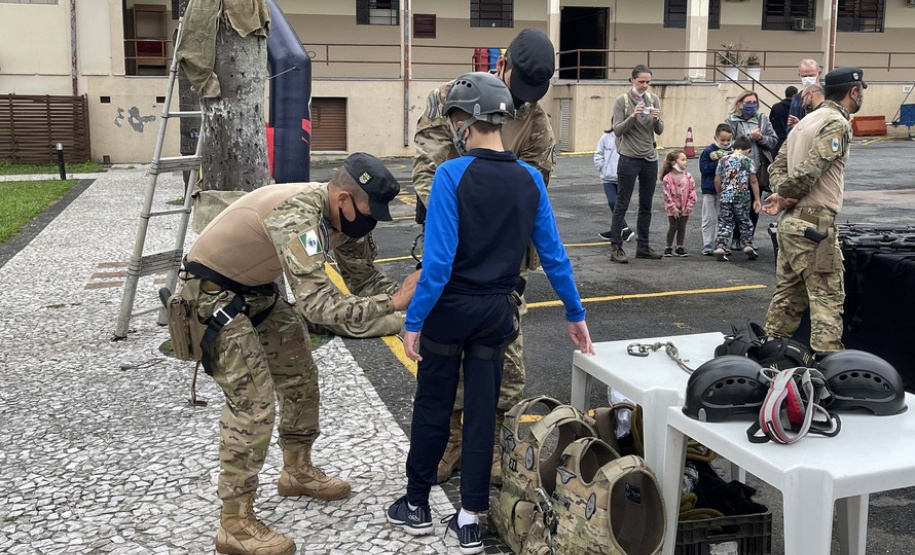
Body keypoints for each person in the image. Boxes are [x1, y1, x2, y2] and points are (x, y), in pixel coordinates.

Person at [388, 71, 594, 555]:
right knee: (483, 413)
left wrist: (414, 320)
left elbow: (438, 263)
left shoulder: (450, 175)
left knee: (434, 405)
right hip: (498, 311)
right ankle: (469, 520)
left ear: (466, 121)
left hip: (450, 309)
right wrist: (574, 311)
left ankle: (416, 504)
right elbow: (554, 254)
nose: (456, 129)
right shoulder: (530, 179)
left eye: (457, 120)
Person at [179, 152, 420, 555]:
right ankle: (234, 523)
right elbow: (318, 306)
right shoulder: (298, 215)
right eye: (368, 212)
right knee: (253, 402)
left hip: (255, 293)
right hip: (210, 296)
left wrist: (417, 302)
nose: (371, 221)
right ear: (343, 199)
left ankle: (297, 470)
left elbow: (364, 280)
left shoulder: (345, 221)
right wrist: (395, 304)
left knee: (299, 377)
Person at [412, 27, 556, 486]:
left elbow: (534, 184)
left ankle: (490, 446)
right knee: (443, 360)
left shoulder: (535, 119)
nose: (522, 99)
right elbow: (427, 167)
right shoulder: (452, 99)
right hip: (453, 254)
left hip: (503, 265)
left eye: (532, 92)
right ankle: (452, 443)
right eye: (518, 86)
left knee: (504, 366)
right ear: (502, 64)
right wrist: (462, 215)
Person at [763, 67, 865, 357]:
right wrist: (787, 194)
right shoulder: (836, 122)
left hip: (792, 221)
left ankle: (770, 354)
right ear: (853, 92)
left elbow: (776, 165)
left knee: (788, 296)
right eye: (860, 91)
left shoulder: (806, 121)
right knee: (827, 297)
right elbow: (813, 167)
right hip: (814, 222)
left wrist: (782, 194)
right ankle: (829, 363)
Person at [608, 64, 665, 263]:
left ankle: (643, 246)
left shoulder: (653, 99)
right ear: (632, 80)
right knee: (622, 203)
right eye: (641, 81)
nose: (645, 85)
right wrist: (633, 115)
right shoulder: (622, 101)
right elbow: (617, 130)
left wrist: (656, 119)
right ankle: (616, 247)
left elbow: (659, 130)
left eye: (648, 82)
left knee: (646, 204)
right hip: (629, 157)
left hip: (649, 158)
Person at [714, 136, 761, 262]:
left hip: (726, 196)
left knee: (725, 222)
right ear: (749, 150)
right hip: (742, 197)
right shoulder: (748, 161)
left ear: (733, 148)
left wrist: (719, 193)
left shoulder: (723, 160)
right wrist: (757, 199)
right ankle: (747, 244)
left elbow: (717, 180)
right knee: (744, 221)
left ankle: (721, 246)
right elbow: (753, 181)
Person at [698, 124, 733, 255]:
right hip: (710, 189)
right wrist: (719, 162)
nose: (726, 143)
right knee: (708, 217)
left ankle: (721, 243)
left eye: (728, 140)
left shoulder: (732, 152)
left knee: (723, 217)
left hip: (725, 190)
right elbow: (704, 169)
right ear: (716, 138)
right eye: (722, 140)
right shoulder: (708, 151)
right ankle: (707, 243)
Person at [594, 129, 633, 242]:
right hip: (608, 178)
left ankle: (618, 230)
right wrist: (602, 167)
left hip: (623, 178)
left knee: (619, 205)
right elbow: (598, 153)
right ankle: (623, 229)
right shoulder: (606, 137)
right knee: (613, 202)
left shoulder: (629, 137)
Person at [660, 149, 697, 257]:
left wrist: (690, 205)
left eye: (686, 160)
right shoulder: (667, 178)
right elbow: (666, 195)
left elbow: (692, 191)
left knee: (682, 227)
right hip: (672, 209)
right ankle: (668, 247)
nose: (686, 162)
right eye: (683, 160)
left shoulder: (688, 176)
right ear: (674, 163)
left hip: (685, 207)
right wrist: (673, 208)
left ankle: (679, 247)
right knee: (673, 226)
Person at [787, 59, 823, 130]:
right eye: (804, 76)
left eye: (811, 75)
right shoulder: (797, 99)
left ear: (819, 73)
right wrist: (796, 126)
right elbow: (790, 126)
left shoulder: (829, 95)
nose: (808, 79)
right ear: (799, 75)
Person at [770, 86, 798, 153]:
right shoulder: (798, 108)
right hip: (793, 139)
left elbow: (771, 122)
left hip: (778, 140)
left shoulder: (776, 107)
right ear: (795, 95)